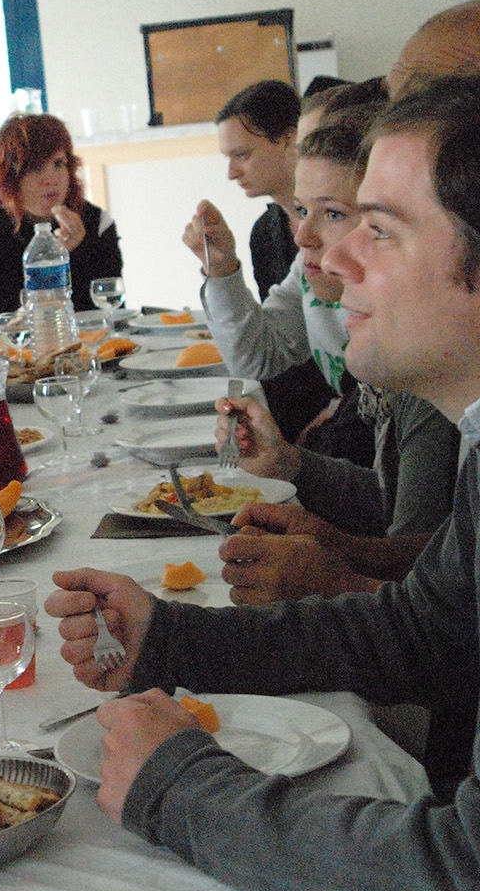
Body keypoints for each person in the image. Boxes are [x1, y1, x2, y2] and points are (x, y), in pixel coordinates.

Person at [48, 76, 480, 891]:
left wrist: (180, 788)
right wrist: (172, 640)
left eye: (379, 230)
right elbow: (421, 628)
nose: (334, 258)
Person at [187, 103, 460, 601]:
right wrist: (289, 465)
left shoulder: (431, 367)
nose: (304, 238)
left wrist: (340, 573)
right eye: (299, 210)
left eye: (334, 213)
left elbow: (432, 596)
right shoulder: (405, 364)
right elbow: (406, 518)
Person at [193, 80, 332, 441]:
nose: (231, 172)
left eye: (242, 154)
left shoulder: (355, 234)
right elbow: (269, 352)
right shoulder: (266, 232)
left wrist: (335, 418)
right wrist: (221, 271)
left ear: (289, 140)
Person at [0, 111, 123, 327]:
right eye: (35, 168)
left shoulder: (96, 224)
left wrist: (76, 252)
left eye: (58, 164)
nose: (51, 179)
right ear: (11, 177)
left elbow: (110, 316)